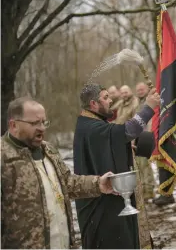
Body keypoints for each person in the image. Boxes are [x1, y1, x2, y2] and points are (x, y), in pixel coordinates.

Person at [1, 97, 116, 249]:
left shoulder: (48, 149)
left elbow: (66, 183)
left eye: (44, 122)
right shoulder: (4, 158)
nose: (42, 128)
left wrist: (98, 184)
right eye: (34, 123)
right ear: (13, 125)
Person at [73, 83, 160, 249]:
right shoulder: (92, 127)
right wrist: (149, 107)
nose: (110, 100)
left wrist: (125, 148)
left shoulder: (91, 123)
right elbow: (127, 131)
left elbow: (108, 146)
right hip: (101, 209)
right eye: (105, 98)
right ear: (93, 104)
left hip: (106, 203)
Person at [134, 82, 156, 200]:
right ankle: (144, 188)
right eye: (138, 90)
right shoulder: (138, 103)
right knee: (141, 164)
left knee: (146, 165)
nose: (140, 91)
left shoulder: (151, 100)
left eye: (142, 89)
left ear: (147, 89)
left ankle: (150, 189)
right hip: (140, 135)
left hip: (149, 134)